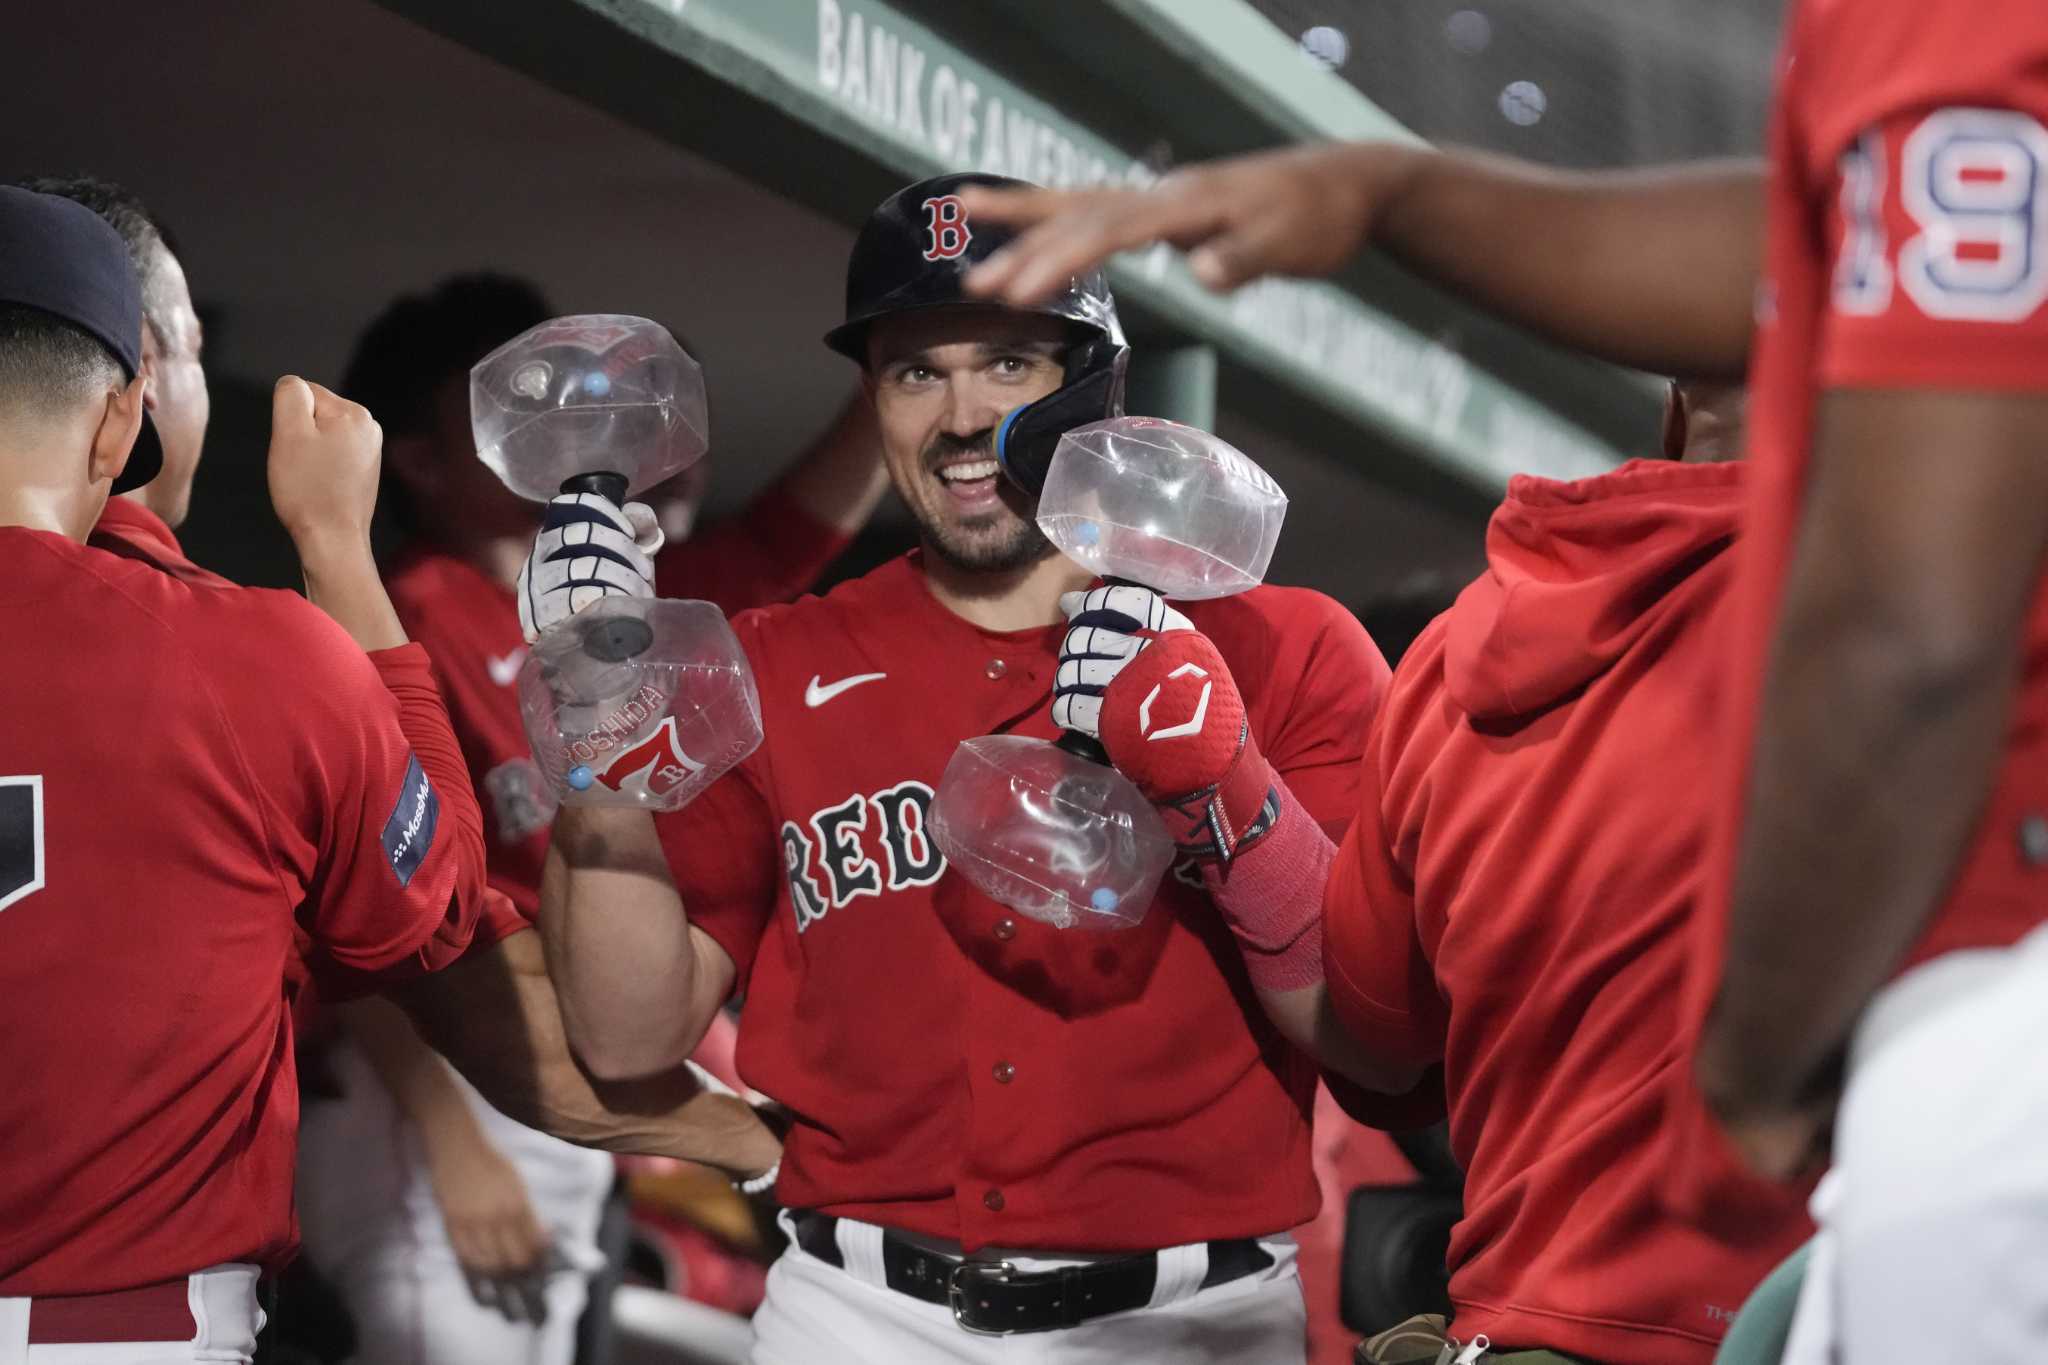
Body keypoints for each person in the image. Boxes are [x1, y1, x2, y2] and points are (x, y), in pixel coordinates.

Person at [960, 10, 2048, 1353]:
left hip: (1548, 1316)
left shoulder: (1468, 653)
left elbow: (1369, 1039)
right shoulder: (1905, 554)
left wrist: (1220, 783)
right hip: (1853, 1260)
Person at [521, 172, 1391, 1365]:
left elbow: (1366, 1032)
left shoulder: (1280, 649)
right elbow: (626, 1041)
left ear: (1096, 384)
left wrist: (1220, 778)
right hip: (858, 1318)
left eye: (1009, 364)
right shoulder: (774, 662)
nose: (960, 416)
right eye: (915, 372)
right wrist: (601, 730)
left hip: (1191, 1326)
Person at [287, 272, 887, 1365]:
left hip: (566, 1082)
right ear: (421, 461)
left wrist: (890, 376)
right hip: (431, 1080)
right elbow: (346, 900)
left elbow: (783, 544)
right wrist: (454, 1138)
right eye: (517, 403)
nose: (562, 419)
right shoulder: (410, 606)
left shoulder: (623, 606)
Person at [0, 183, 495, 1363]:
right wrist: (336, 546)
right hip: (112, 1334)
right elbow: (434, 915)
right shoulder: (250, 652)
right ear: (123, 426)